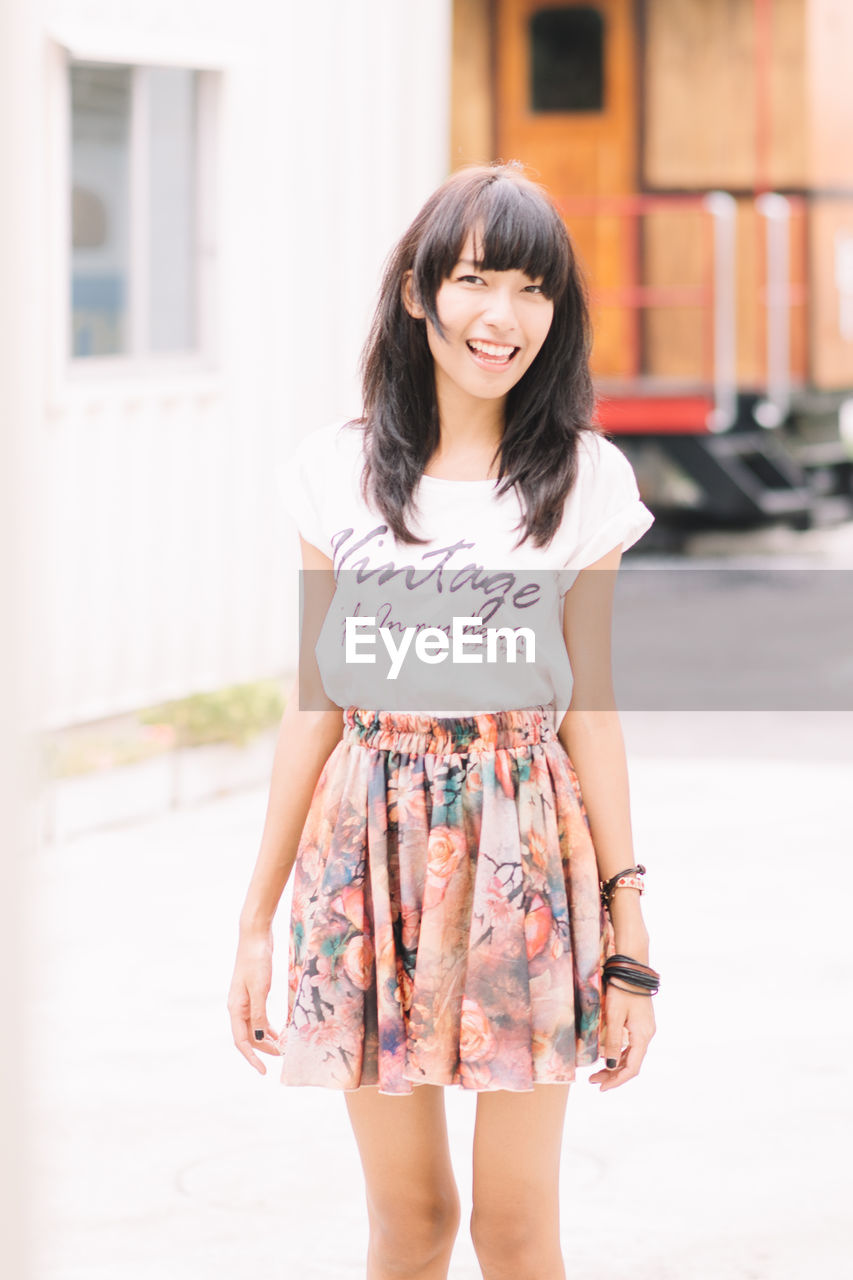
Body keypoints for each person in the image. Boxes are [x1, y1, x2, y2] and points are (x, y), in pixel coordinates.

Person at [227, 161, 658, 1280]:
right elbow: (318, 700)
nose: (500, 315)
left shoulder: (582, 481)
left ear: (555, 314)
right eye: (474, 279)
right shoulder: (338, 471)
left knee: (515, 1234)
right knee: (409, 1223)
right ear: (417, 293)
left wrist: (630, 933)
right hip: (365, 849)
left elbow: (592, 714)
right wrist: (255, 919)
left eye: (532, 288)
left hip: (526, 852)